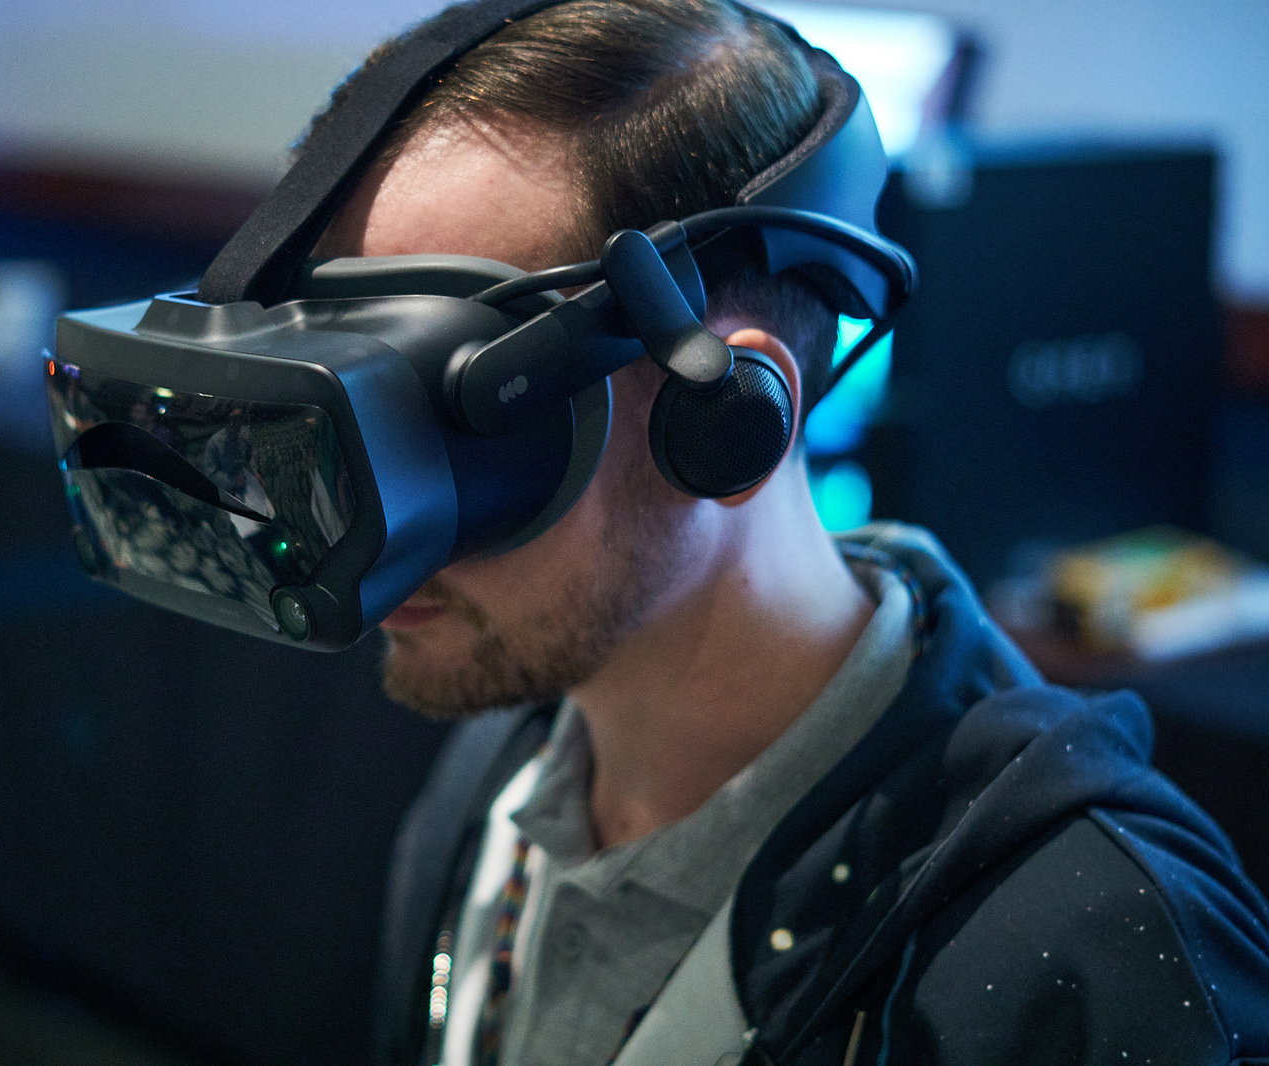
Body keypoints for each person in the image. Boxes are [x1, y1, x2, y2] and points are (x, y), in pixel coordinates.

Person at [303, 2, 1269, 1064]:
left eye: (456, 415)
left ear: (725, 418)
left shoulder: (1091, 957)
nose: (374, 521)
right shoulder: (501, 785)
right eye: (357, 398)